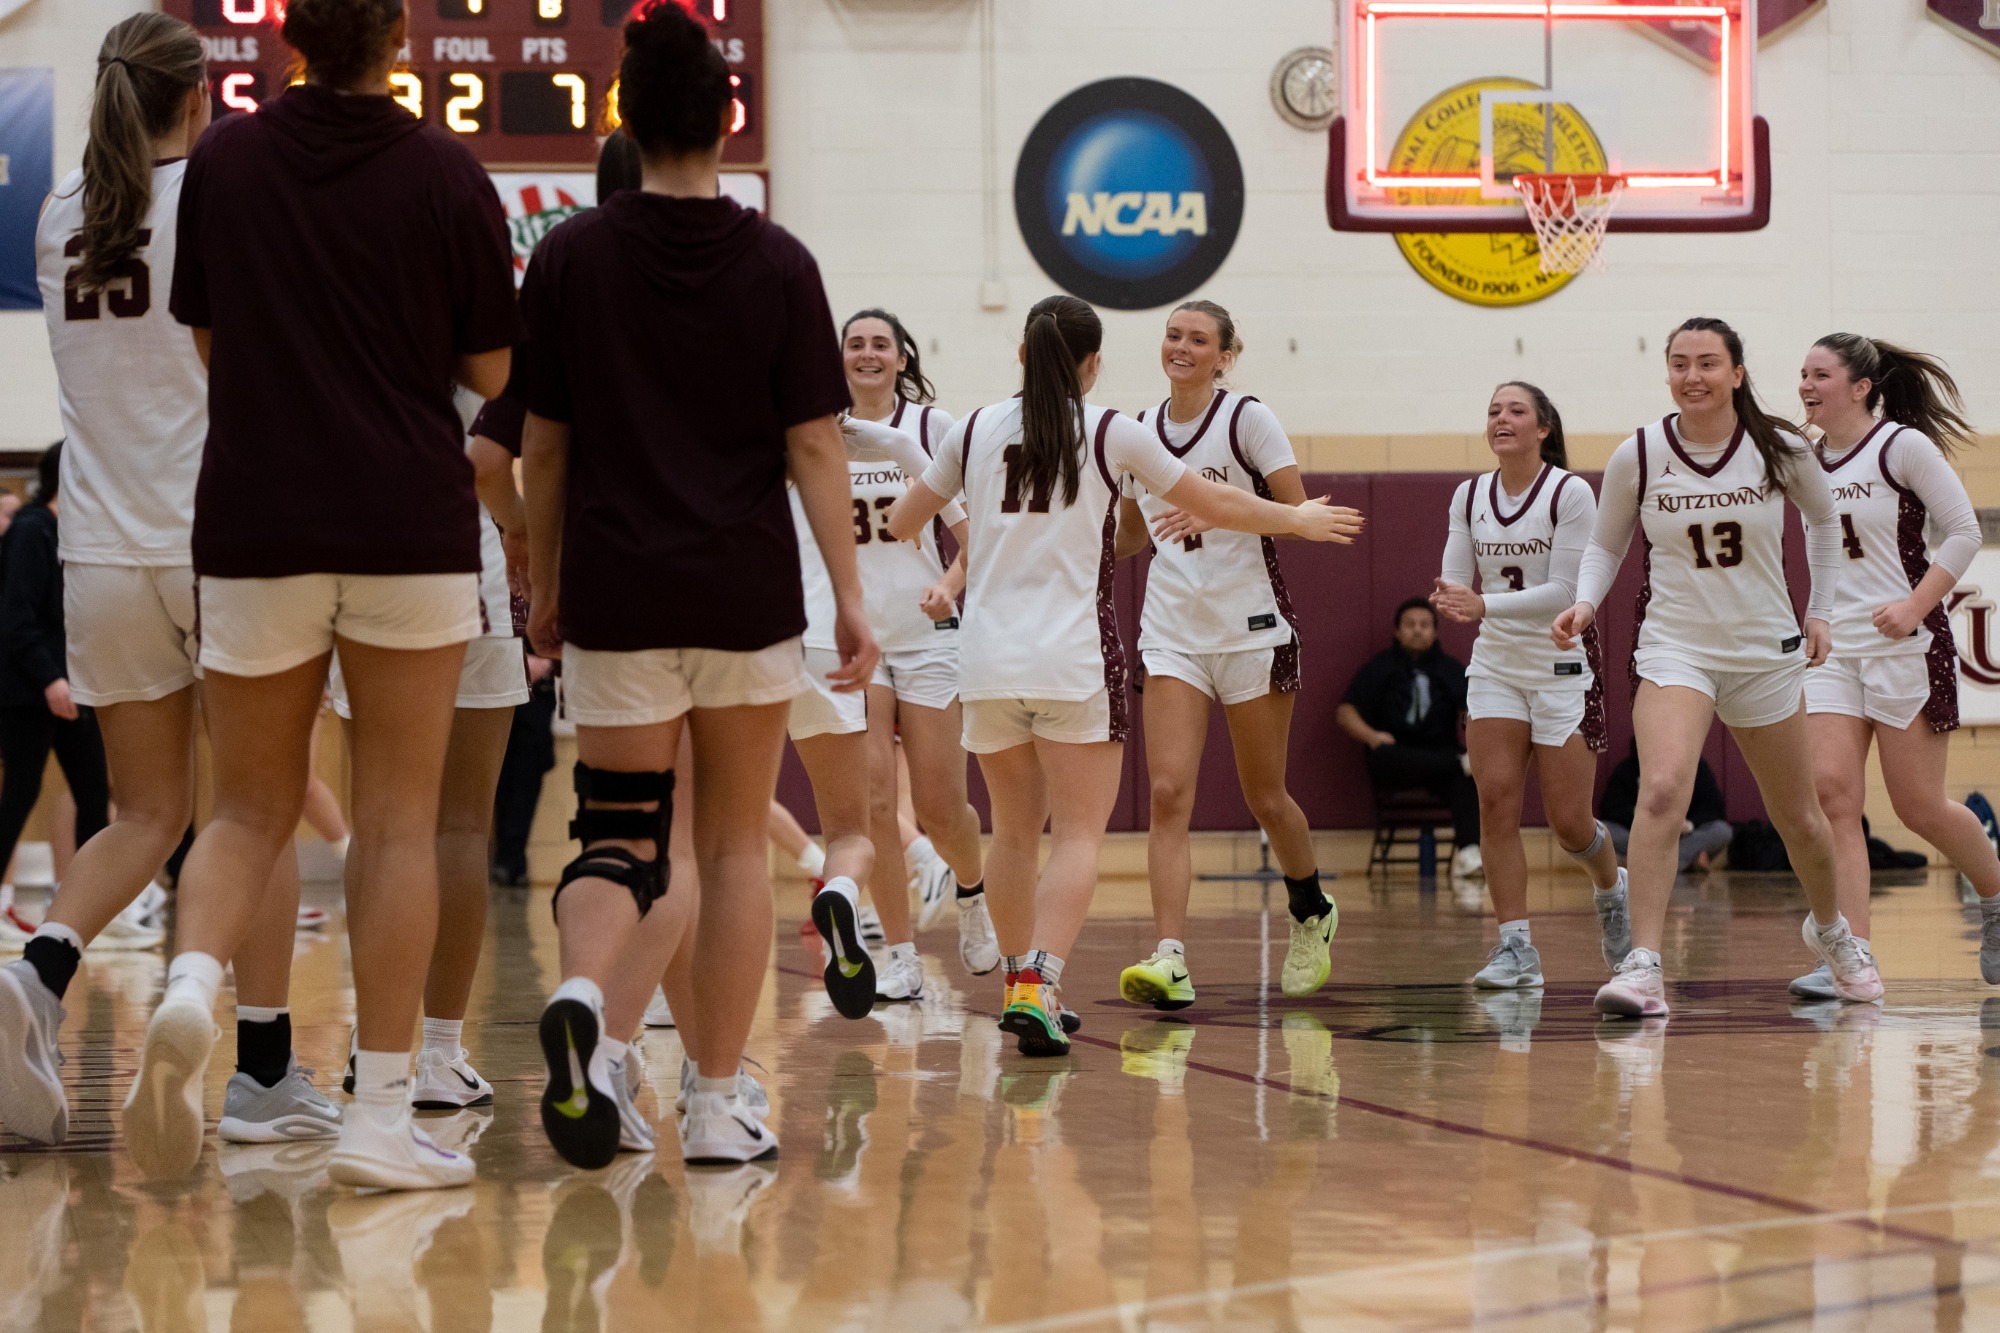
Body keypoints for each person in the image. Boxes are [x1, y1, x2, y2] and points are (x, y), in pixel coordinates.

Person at [133, 0, 519, 1188]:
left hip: (254, 517)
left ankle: (194, 985)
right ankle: (380, 1115)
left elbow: (205, 338)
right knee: (400, 820)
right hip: (406, 520)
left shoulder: (227, 160)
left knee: (245, 806)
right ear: (398, 39)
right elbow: (494, 376)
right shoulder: (449, 174)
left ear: (290, 34)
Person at [514, 0, 873, 1167]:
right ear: (728, 117)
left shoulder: (569, 252)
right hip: (742, 597)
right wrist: (852, 594)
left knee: (621, 839)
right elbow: (816, 445)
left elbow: (545, 446)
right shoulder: (778, 260)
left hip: (619, 597)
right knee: (729, 851)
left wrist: (544, 581)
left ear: (622, 114)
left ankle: (582, 992)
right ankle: (717, 1104)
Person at [1, 14, 342, 1155]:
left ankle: (39, 975)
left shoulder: (57, 218)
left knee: (144, 814)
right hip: (220, 542)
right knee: (258, 803)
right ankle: (263, 1069)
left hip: (99, 554)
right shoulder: (219, 198)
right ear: (198, 101)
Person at [886, 293, 1362, 1056]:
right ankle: (1042, 983)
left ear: (1019, 355)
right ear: (1093, 363)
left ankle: (1021, 985)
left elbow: (904, 522)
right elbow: (1207, 502)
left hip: (984, 660)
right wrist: (1297, 519)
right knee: (1078, 834)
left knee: (1013, 832)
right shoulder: (1115, 429)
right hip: (1071, 659)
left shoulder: (971, 428)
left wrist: (947, 490)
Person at [1553, 316, 1872, 1019]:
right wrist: (1583, 603)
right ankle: (1643, 965)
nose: (1692, 375)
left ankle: (1835, 933)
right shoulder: (1639, 453)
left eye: (1707, 362)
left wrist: (1820, 611)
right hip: (1677, 646)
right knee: (1663, 790)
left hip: (1764, 651)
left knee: (1803, 821)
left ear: (1736, 373)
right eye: (1679, 362)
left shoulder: (1781, 447)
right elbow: (1605, 546)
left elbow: (1823, 524)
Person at [1111, 300, 1333, 1010]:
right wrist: (1105, 522)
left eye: (1197, 339)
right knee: (1168, 794)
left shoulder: (1247, 420)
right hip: (1172, 630)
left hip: (1251, 627)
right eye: (1173, 335)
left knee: (1265, 797)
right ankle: (1171, 954)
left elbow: (1299, 516)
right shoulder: (1137, 431)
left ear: (1225, 355)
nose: (1181, 346)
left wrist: (1212, 506)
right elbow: (1127, 542)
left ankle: (1311, 910)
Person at [330, 389, 531, 1108]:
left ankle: (370, 1037)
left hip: (360, 563)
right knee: (461, 823)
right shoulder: (484, 303)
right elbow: (496, 458)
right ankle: (440, 1053)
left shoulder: (335, 290)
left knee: (380, 820)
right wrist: (524, 529)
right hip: (466, 560)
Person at [1794, 333, 2000, 999]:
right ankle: (1854, 958)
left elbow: (1965, 530)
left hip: (1906, 642)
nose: (1805, 384)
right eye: (1802, 374)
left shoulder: (1901, 447)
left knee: (1919, 808)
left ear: (1860, 387)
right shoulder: (1801, 458)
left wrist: (1915, 606)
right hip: (1832, 647)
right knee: (1833, 798)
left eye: (1820, 374)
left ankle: (1996, 898)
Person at [1431, 382, 1629, 990]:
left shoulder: (1570, 492)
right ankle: (1515, 947)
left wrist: (1482, 602)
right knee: (1495, 802)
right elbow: (1453, 582)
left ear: (1543, 428)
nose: (1501, 419)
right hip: (1495, 668)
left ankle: (1611, 887)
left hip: (1561, 666)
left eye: (1515, 411)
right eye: (1493, 410)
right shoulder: (1468, 496)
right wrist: (1453, 596)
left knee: (1570, 822)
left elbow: (1568, 592)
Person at [840, 307, 997, 982]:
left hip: (928, 632)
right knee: (874, 800)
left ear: (903, 357)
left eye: (881, 344)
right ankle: (899, 956)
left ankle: (971, 892)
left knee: (938, 804)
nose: (869, 354)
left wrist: (951, 585)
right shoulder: (821, 432)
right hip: (858, 638)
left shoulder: (934, 429)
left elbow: (977, 531)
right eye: (856, 345)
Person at [1336, 599, 1481, 875]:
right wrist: (1372, 736)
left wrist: (1474, 740)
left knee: (1465, 776)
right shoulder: (1380, 667)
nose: (1417, 630)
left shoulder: (1450, 669)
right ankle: (1455, 762)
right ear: (1397, 631)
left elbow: (1473, 709)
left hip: (1440, 757)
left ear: (1435, 632)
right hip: (1395, 757)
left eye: (1424, 625)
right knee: (1449, 762)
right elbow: (1345, 711)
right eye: (1410, 625)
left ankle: (1470, 853)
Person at [1596, 740, 1731, 873]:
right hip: (1641, 836)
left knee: (1721, 831)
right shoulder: (1627, 769)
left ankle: (1638, 864)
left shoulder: (1697, 768)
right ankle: (1687, 861)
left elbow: (1714, 808)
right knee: (1603, 830)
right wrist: (1641, 818)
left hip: (1682, 836)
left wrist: (1688, 825)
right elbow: (1610, 810)